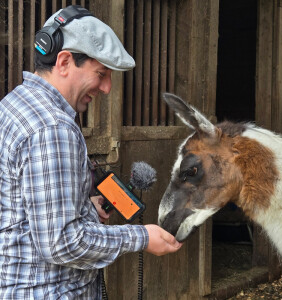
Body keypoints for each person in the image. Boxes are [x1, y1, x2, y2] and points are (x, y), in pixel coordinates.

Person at [0, 5, 182, 299]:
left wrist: (83, 207)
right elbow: (62, 243)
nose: (107, 87)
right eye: (101, 73)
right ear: (64, 61)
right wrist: (142, 237)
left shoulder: (15, 105)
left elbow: (25, 210)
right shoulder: (52, 129)